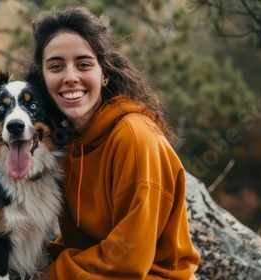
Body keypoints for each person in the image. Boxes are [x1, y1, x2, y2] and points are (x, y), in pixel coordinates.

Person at [27, 6, 201, 279]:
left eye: (83, 64)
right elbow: (82, 243)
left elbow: (128, 260)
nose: (70, 76)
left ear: (103, 74)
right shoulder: (68, 141)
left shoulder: (133, 137)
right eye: (56, 66)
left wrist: (51, 272)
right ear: (43, 79)